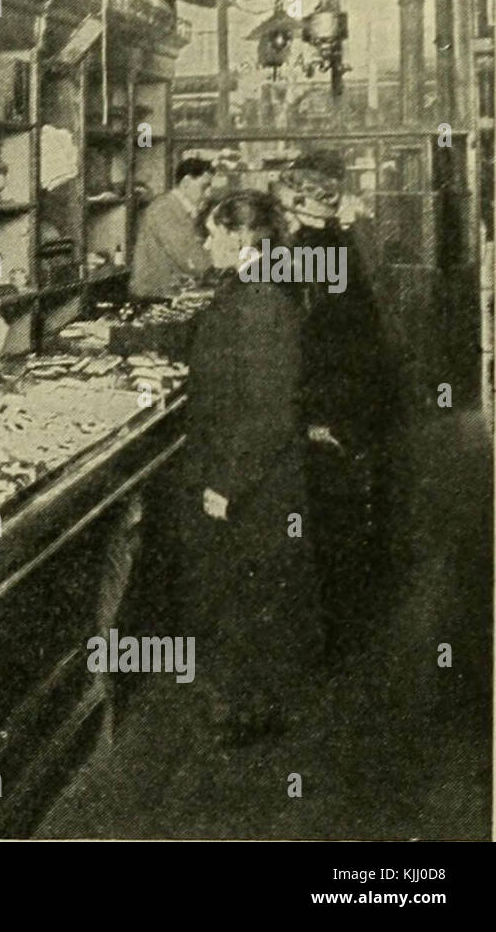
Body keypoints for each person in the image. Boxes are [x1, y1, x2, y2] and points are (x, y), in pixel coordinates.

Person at [180, 189, 319, 748]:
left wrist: (225, 483)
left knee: (248, 595)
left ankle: (249, 713)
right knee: (241, 593)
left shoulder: (261, 302)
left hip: (254, 481)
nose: (206, 242)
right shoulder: (249, 288)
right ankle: (242, 704)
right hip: (247, 469)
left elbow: (270, 412)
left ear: (241, 240)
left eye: (214, 233)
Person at [272, 154, 398, 655]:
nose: (279, 215)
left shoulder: (310, 253)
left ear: (300, 208)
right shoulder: (337, 245)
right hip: (353, 400)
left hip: (331, 406)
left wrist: (316, 418)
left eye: (283, 205)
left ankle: (335, 635)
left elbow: (319, 340)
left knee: (329, 522)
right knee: (342, 516)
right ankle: (346, 623)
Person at [129, 157, 214, 300]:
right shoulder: (165, 209)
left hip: (170, 292)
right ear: (186, 183)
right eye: (204, 186)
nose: (209, 194)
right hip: (152, 295)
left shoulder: (181, 207)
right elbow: (188, 259)